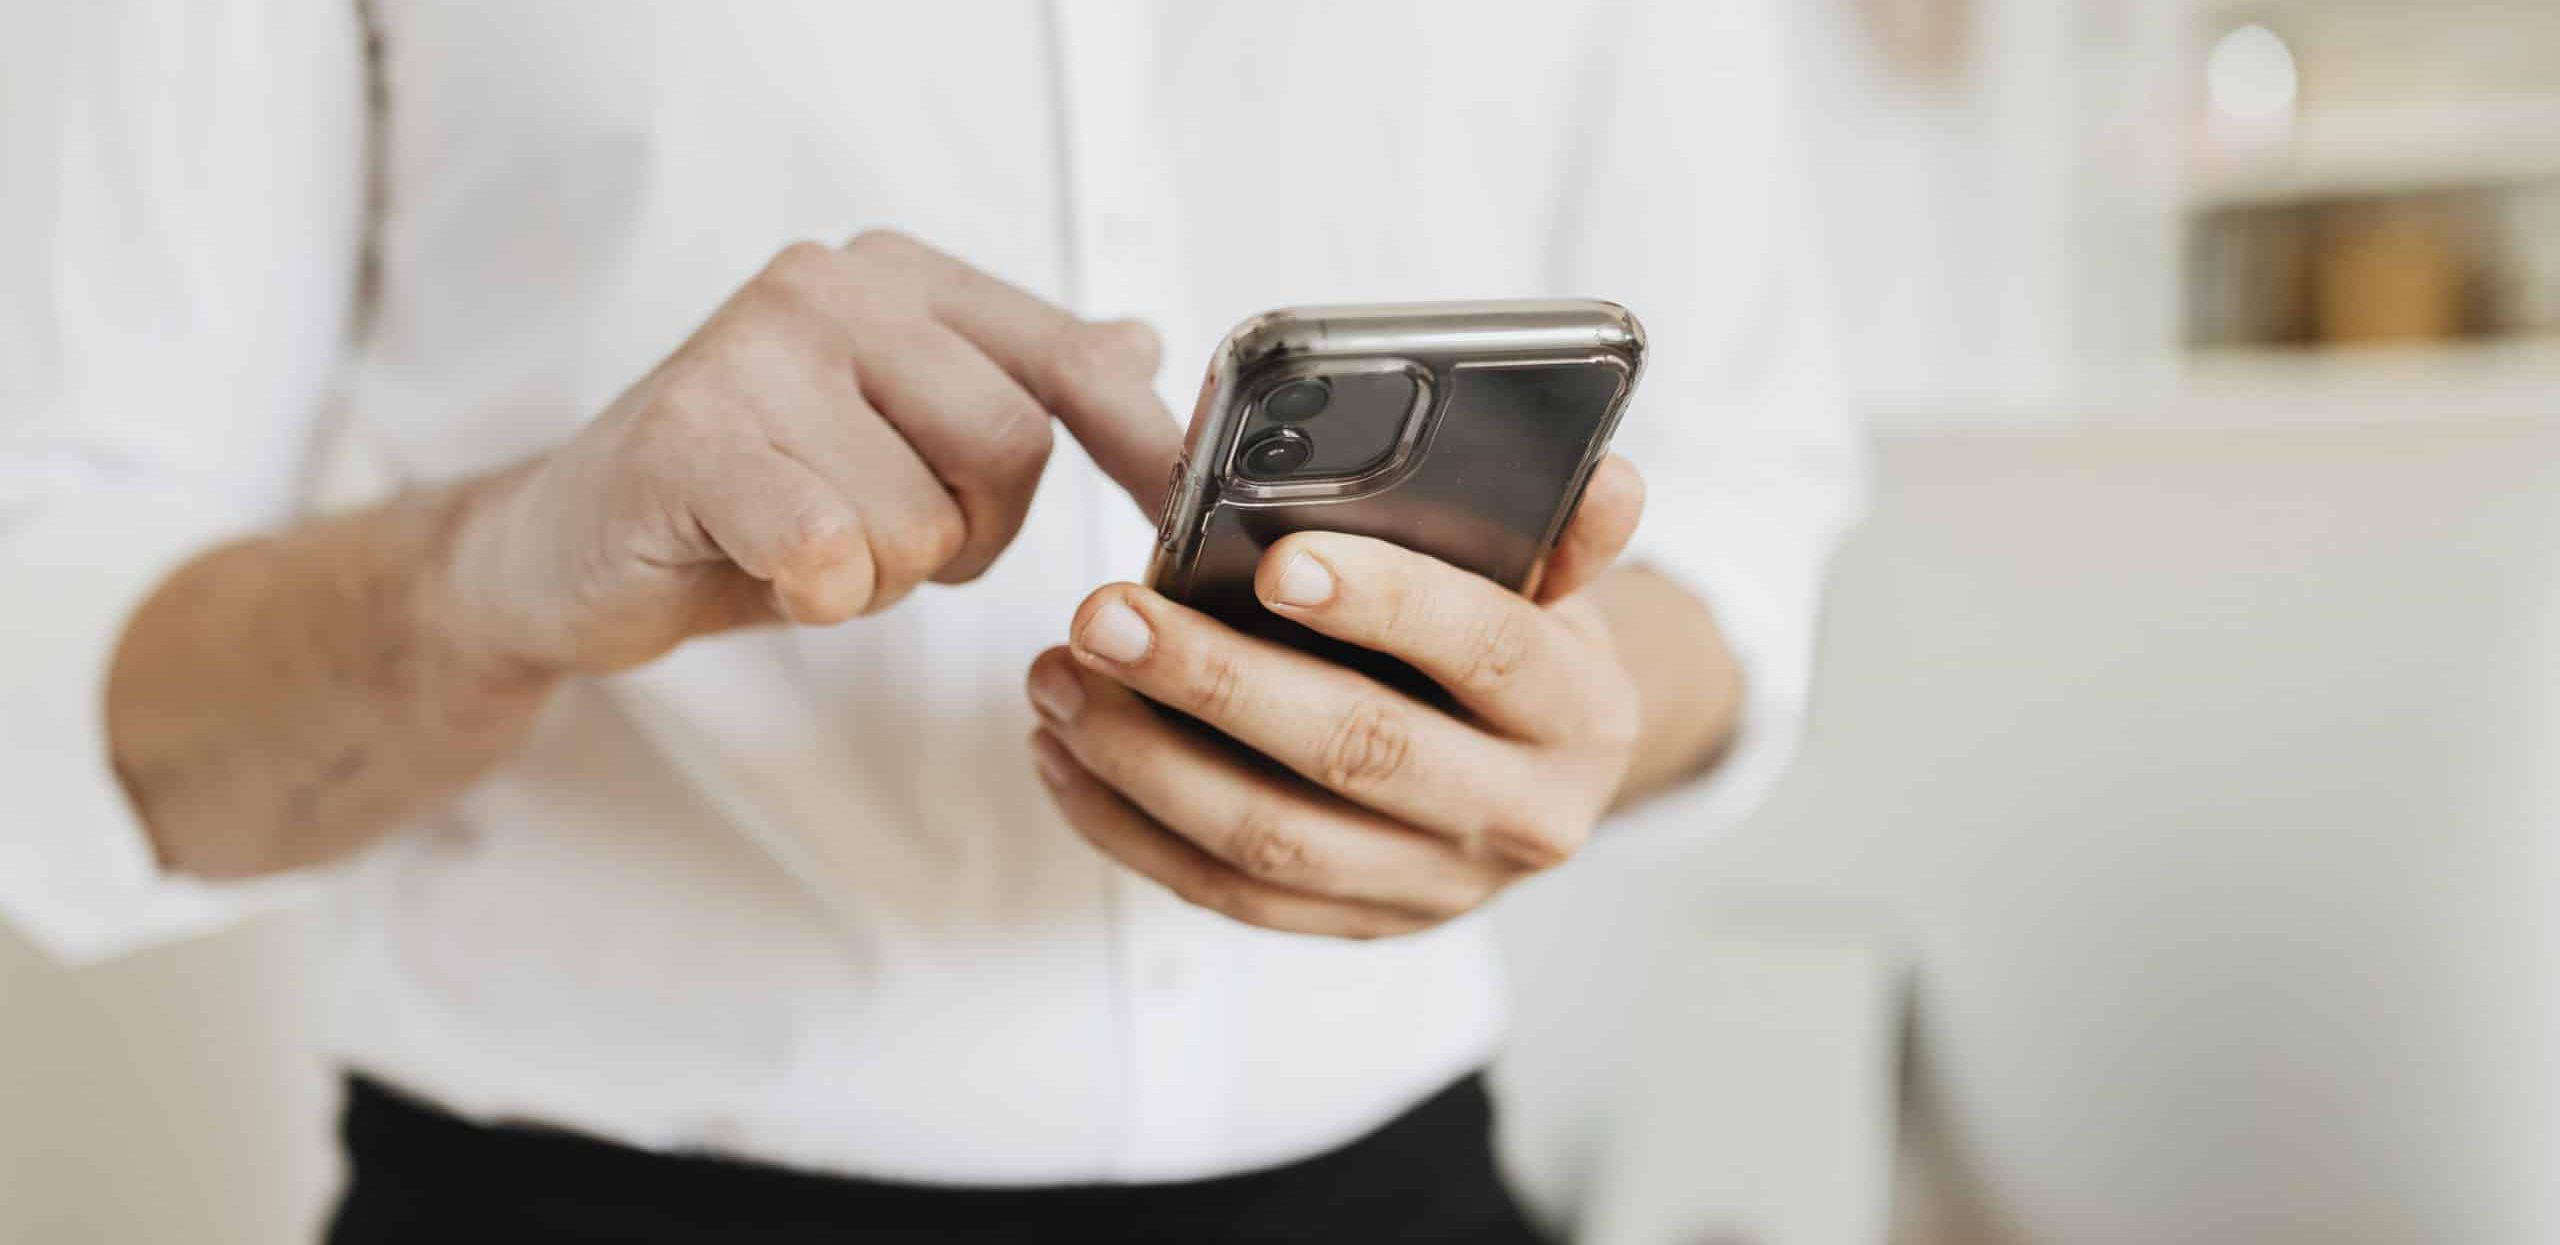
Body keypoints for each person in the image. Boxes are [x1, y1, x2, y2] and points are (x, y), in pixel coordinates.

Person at [0, 2, 1866, 1240]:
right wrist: (505, 562)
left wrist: (1574, 714)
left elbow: (1746, 489)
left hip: (1402, 1180)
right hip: (561, 1194)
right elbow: (66, 698)